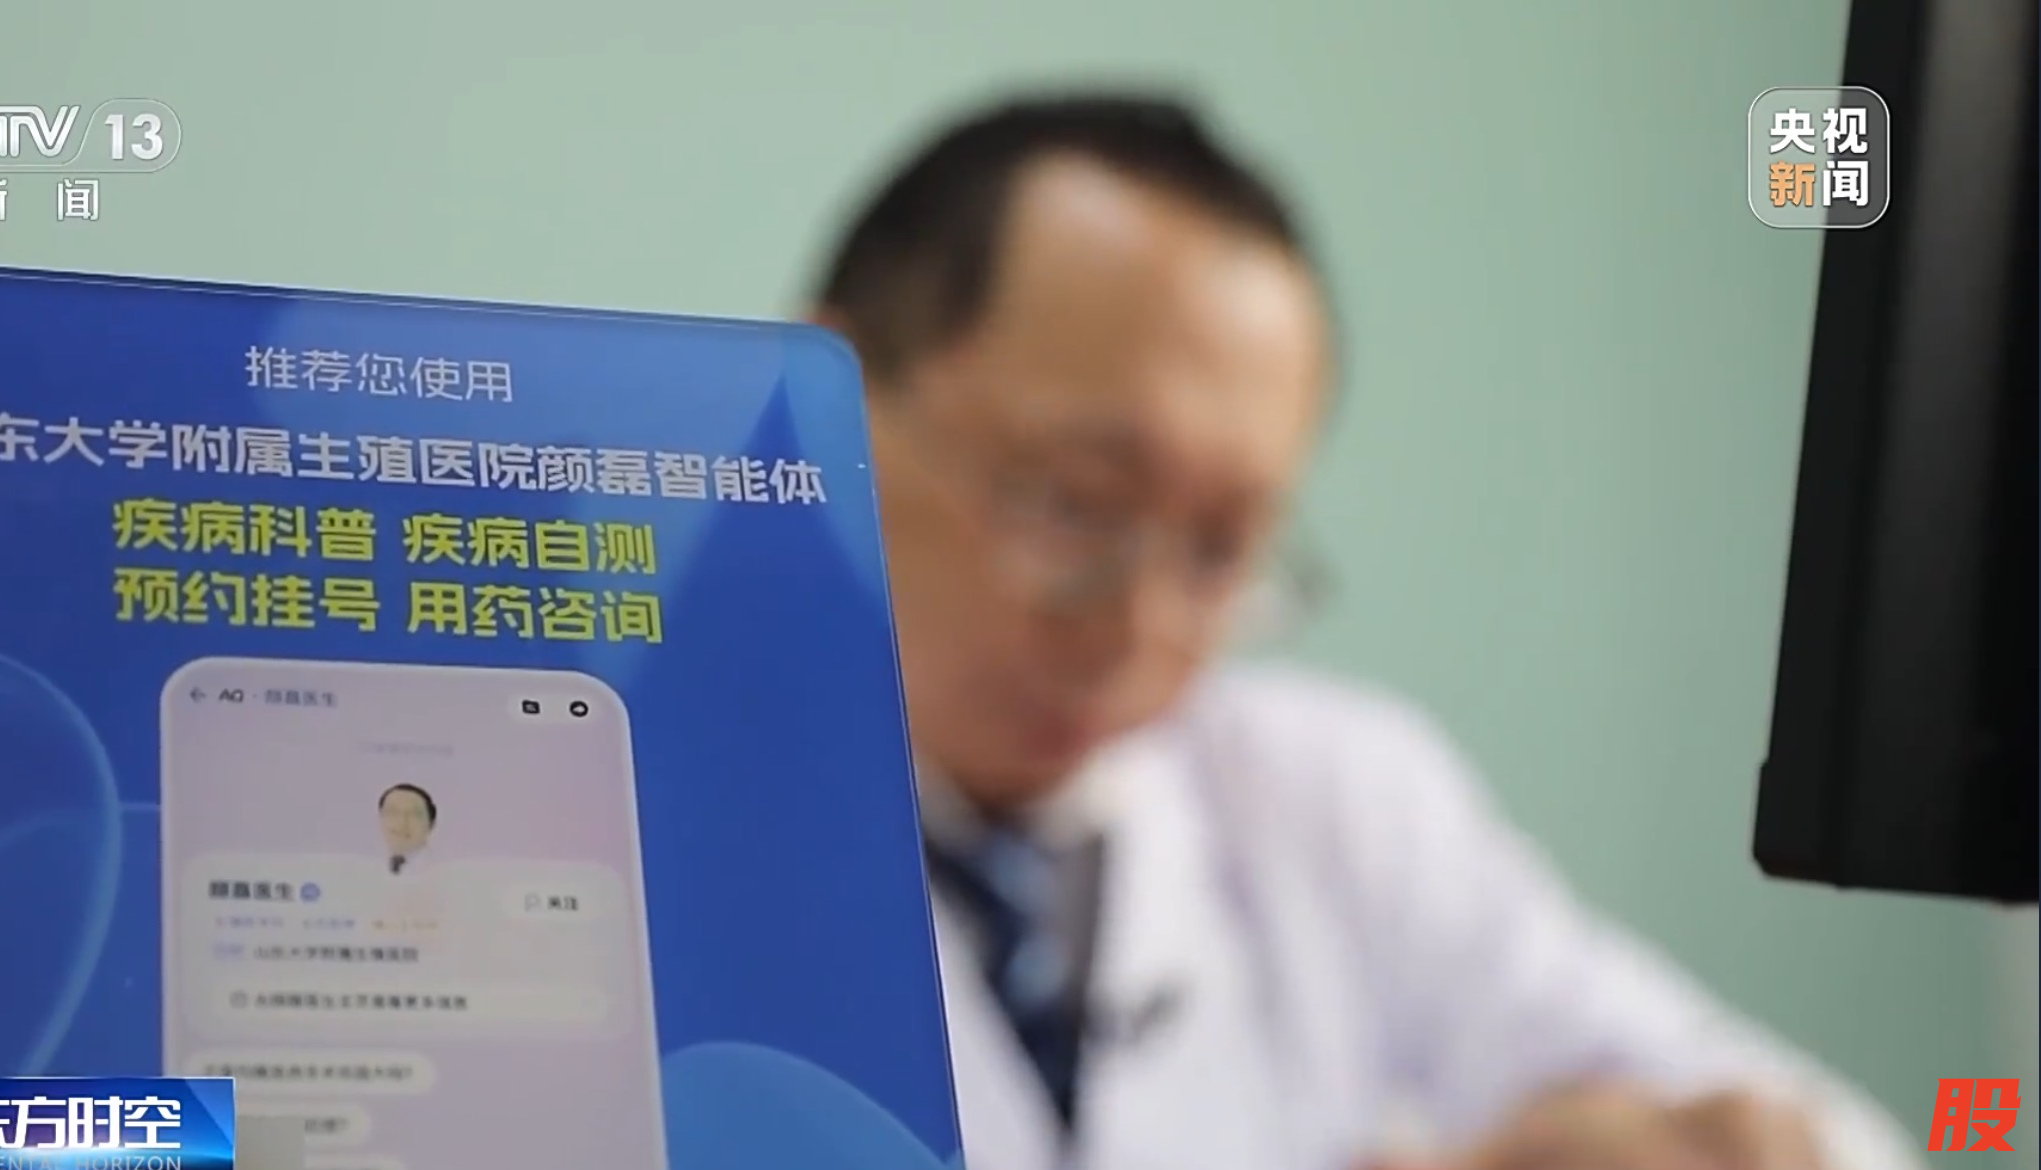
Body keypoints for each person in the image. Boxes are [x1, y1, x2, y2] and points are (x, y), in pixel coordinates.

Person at [806, 93, 1925, 1170]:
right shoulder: (687, 832)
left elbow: (1811, 1130)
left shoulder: (1332, 802)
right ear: (817, 409)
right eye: (1075, 502)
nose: (1137, 627)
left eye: (1219, 550)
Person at [378, 783, 438, 875]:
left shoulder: (444, 873)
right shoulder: (364, 871)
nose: (402, 822)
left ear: (431, 824)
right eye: (393, 812)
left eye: (414, 815)